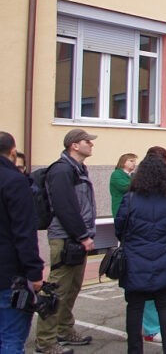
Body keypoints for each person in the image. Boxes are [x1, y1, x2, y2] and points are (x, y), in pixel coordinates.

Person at [115, 154, 166, 354]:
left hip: (135, 260)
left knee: (134, 306)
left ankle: (134, 350)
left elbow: (120, 228)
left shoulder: (130, 198)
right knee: (165, 306)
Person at [36, 129, 98, 354]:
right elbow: (65, 207)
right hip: (65, 239)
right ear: (74, 145)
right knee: (56, 291)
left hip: (75, 238)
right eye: (87, 141)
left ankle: (64, 329)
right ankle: (45, 341)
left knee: (71, 289)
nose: (91, 144)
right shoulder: (62, 170)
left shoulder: (77, 169)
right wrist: (83, 236)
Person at [0, 131, 44, 354]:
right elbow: (24, 232)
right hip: (8, 274)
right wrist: (34, 273)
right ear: (13, 152)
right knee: (11, 339)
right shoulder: (15, 181)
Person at [110, 153, 137, 218]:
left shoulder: (134, 175)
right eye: (131, 161)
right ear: (123, 162)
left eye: (134, 162)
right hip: (121, 208)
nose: (134, 163)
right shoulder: (116, 174)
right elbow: (125, 187)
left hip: (133, 209)